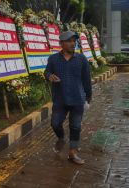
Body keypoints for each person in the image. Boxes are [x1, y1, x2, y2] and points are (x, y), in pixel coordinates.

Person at [44, 31, 92, 165]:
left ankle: (73, 153)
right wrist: (49, 76)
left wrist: (88, 98)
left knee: (75, 127)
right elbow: (46, 72)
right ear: (61, 43)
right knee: (55, 123)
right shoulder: (53, 59)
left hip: (77, 99)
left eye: (74, 41)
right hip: (60, 99)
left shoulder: (81, 59)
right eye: (69, 41)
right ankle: (62, 138)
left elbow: (86, 79)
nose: (73, 43)